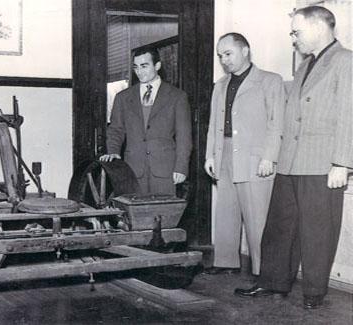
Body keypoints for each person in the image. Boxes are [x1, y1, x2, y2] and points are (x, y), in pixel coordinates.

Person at [235, 6, 352, 310]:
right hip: (291, 161)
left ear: (318, 27)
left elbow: (349, 116)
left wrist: (342, 162)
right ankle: (273, 281)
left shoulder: (346, 61)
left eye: (296, 31)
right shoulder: (304, 66)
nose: (293, 38)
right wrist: (274, 157)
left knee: (318, 230)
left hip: (321, 162)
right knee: (280, 226)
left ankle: (314, 291)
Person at [204, 33, 285, 276]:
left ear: (245, 50)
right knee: (226, 211)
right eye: (220, 56)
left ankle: (263, 272)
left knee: (257, 217)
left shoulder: (270, 81)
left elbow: (277, 123)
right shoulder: (220, 85)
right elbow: (213, 124)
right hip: (225, 153)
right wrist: (210, 155)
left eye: (228, 53)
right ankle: (225, 261)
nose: (224, 60)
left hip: (254, 157)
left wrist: (269, 156)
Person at [100, 47, 192, 195]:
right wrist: (114, 152)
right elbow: (116, 130)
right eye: (136, 67)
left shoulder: (177, 96)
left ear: (157, 66)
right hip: (133, 170)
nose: (139, 72)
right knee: (134, 215)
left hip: (165, 171)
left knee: (164, 215)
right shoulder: (122, 98)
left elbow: (184, 137)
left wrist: (181, 167)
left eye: (144, 66)